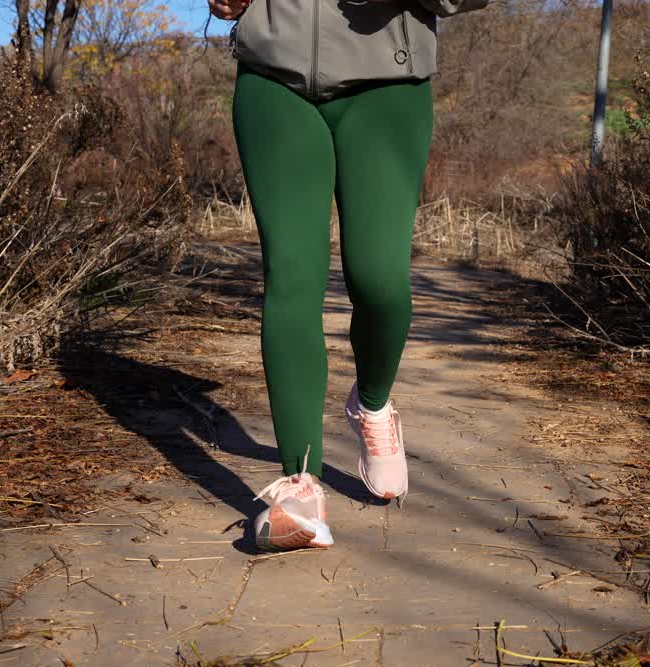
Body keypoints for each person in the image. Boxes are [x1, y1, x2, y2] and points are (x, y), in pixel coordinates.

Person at [208, 0, 487, 551]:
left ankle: (373, 402)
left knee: (380, 281)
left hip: (387, 87)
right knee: (290, 274)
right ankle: (299, 486)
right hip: (273, 80)